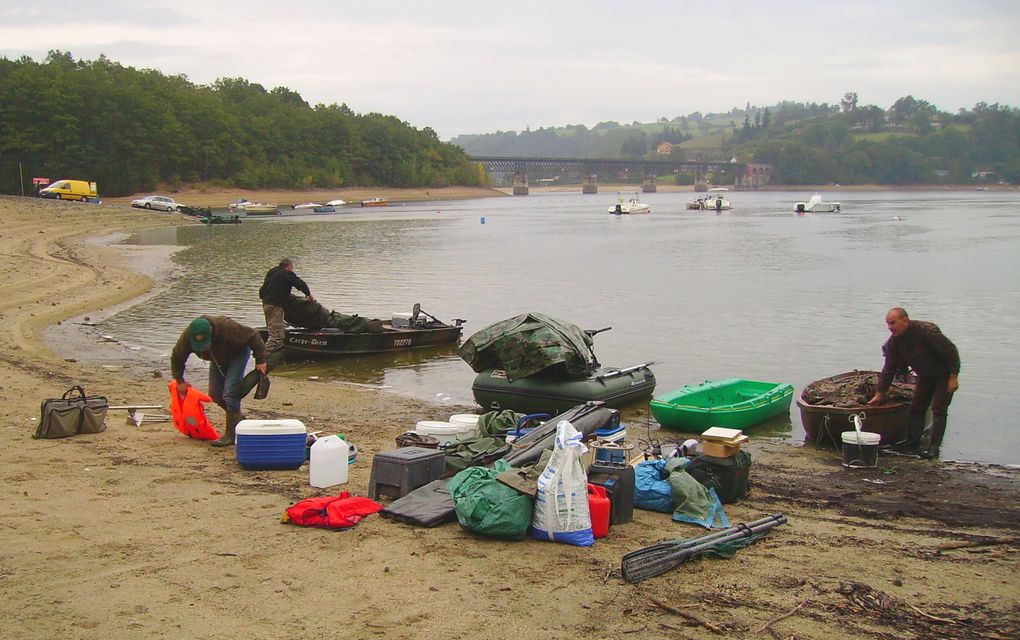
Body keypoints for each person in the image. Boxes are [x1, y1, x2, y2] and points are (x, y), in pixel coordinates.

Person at [867, 308, 960, 459]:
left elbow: (951, 352)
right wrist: (880, 393)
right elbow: (889, 368)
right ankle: (913, 442)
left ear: (905, 320)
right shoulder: (894, 342)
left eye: (893, 323)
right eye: (887, 324)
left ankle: (934, 449)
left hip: (944, 374)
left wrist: (953, 377)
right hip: (925, 375)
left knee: (938, 409)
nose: (890, 327)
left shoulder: (926, 332)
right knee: (916, 407)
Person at [170, 315, 267, 447]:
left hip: (237, 353)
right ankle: (238, 419)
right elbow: (177, 356)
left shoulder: (228, 328)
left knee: (229, 393)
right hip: (217, 357)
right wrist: (180, 380)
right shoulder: (188, 335)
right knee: (215, 394)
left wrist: (260, 360)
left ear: (211, 331)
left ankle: (230, 435)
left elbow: (253, 336)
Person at [259, 258, 314, 358]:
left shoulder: (271, 274)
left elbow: (261, 292)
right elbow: (299, 283)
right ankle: (262, 359)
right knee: (276, 337)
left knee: (275, 332)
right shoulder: (286, 273)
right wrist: (308, 294)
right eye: (292, 268)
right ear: (289, 267)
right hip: (276, 306)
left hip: (266, 305)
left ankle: (277, 358)